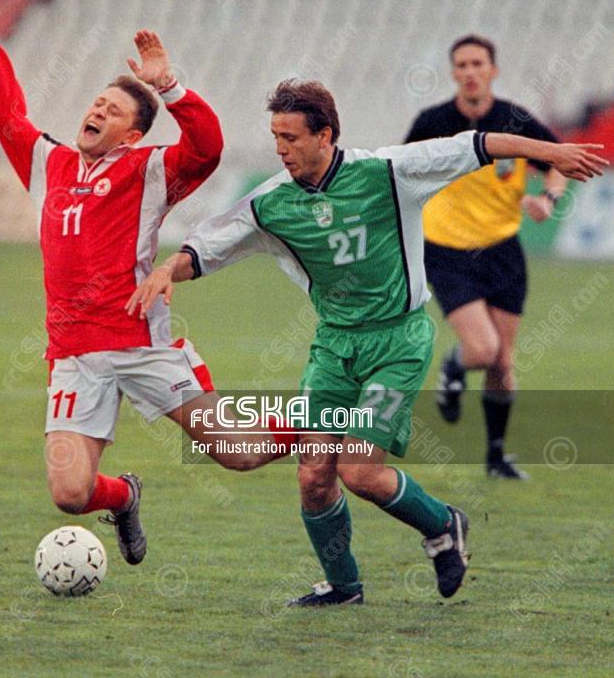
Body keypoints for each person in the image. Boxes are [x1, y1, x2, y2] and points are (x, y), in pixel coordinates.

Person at [127, 79, 606, 605]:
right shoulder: (272, 202)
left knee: (359, 471)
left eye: (290, 137)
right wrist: (167, 270)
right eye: (275, 137)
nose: (280, 148)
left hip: (397, 343)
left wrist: (552, 153)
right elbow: (206, 246)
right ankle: (344, 586)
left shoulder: (388, 172)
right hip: (335, 349)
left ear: (325, 135)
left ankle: (443, 524)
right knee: (313, 474)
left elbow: (478, 144)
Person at [0, 0, 296, 567]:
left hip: (139, 342)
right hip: (73, 353)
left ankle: (332, 422)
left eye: (113, 110)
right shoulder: (49, 163)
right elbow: (8, 114)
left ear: (133, 134)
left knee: (238, 453)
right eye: (96, 103)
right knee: (70, 494)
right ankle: (124, 497)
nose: (97, 110)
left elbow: (207, 148)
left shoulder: (147, 171)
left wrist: (168, 85)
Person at [404, 34, 568, 479]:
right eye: (462, 65)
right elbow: (402, 170)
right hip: (448, 250)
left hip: (503, 251)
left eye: (478, 63)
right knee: (481, 349)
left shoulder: (516, 120)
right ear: (453, 73)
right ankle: (454, 365)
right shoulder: (432, 122)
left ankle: (496, 456)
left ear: (493, 70)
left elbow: (557, 161)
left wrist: (548, 199)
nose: (470, 72)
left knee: (502, 362)